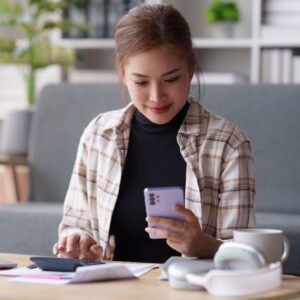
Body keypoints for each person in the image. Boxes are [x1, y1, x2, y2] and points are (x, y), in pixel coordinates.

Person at [53, 3, 255, 263]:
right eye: (141, 82)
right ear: (123, 74)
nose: (156, 96)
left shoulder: (229, 144)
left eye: (171, 79)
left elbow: (247, 257)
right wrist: (77, 241)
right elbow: (74, 224)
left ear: (191, 69)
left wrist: (205, 246)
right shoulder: (98, 135)